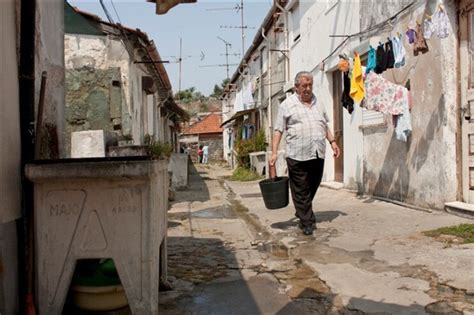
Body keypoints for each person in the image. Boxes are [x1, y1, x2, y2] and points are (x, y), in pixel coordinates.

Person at [270, 71, 341, 236]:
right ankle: (307, 222)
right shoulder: (286, 105)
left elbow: (324, 125)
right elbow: (278, 130)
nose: (308, 89)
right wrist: (274, 152)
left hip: (317, 152)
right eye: (304, 86)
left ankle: (302, 210)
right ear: (296, 87)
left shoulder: (319, 103)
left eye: (310, 85)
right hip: (297, 154)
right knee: (301, 189)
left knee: (313, 184)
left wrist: (333, 142)